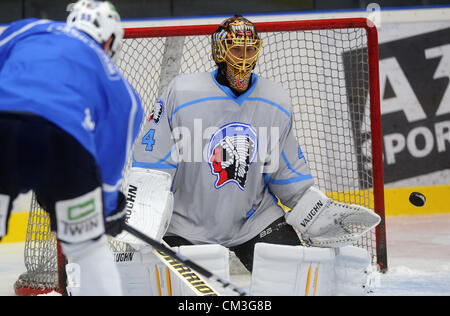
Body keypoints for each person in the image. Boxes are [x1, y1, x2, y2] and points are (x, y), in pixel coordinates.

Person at [131, 15, 379, 275]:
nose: (244, 57)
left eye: (250, 49)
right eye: (237, 48)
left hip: (253, 220)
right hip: (185, 225)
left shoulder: (275, 99)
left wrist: (314, 212)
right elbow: (152, 160)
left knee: (296, 276)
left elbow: (285, 172)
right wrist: (143, 217)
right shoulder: (182, 93)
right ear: (219, 51)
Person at [0, 0, 143, 295]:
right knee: (88, 250)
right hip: (65, 145)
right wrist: (105, 208)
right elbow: (109, 162)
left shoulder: (28, 28)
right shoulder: (118, 84)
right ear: (111, 39)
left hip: (3, 124)